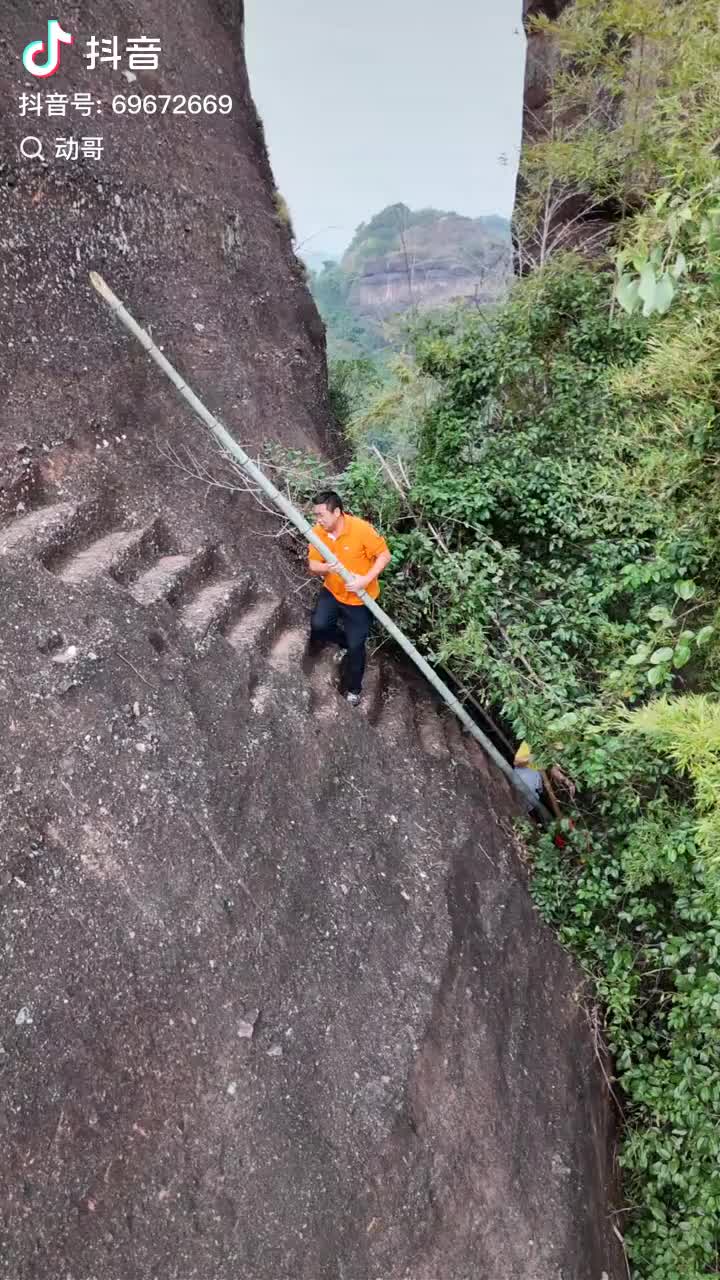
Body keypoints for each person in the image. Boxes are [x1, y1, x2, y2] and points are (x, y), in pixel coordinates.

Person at [307, 490, 391, 705]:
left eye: (321, 515)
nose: (318, 520)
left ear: (336, 512)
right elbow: (313, 566)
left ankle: (354, 689)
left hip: (360, 600)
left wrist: (365, 580)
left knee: (356, 647)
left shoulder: (361, 529)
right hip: (333, 591)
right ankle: (342, 640)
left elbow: (384, 555)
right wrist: (326, 567)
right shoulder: (318, 532)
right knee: (319, 626)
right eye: (316, 515)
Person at [513, 741, 576, 821]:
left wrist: (568, 782)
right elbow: (517, 762)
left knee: (543, 811)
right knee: (533, 813)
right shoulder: (530, 741)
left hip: (536, 788)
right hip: (524, 784)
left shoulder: (550, 751)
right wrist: (538, 757)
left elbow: (553, 769)